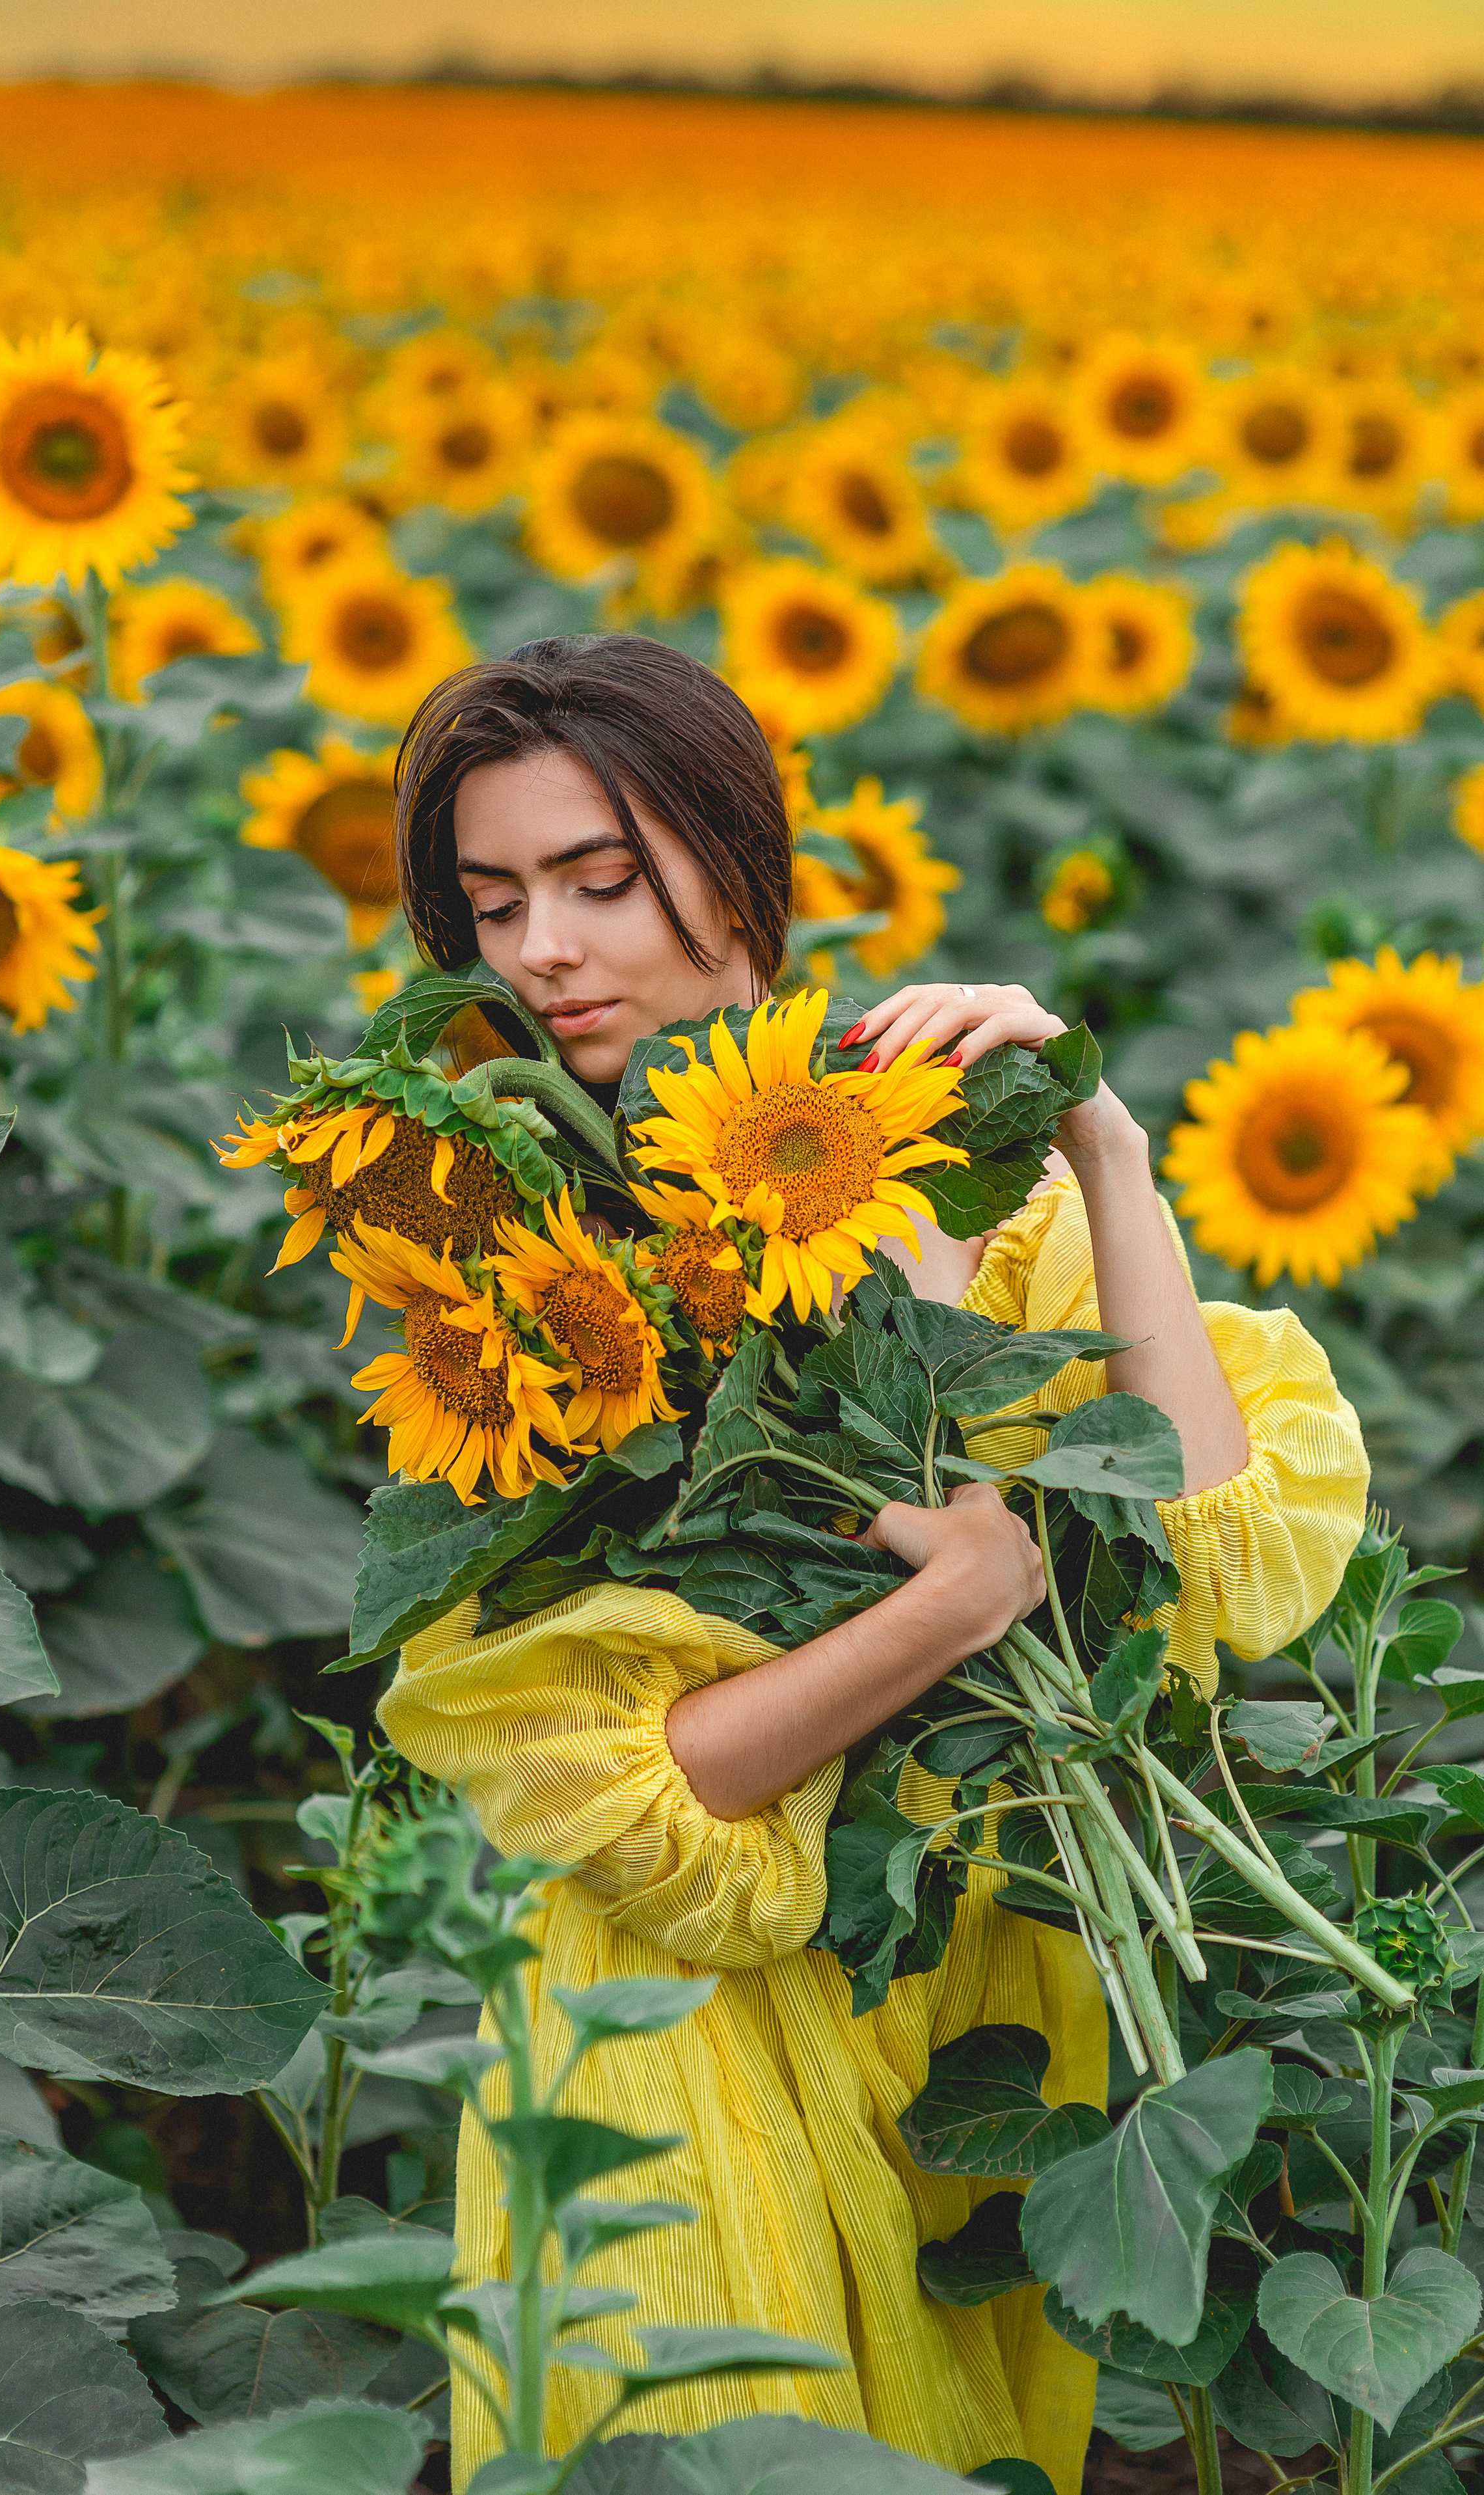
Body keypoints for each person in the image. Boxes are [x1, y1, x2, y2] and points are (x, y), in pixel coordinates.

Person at [376, 634, 1369, 2492]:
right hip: (684, 2015)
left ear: (742, 869)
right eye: (497, 902)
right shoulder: (517, 1255)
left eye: (601, 880)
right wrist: (954, 1601)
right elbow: (627, 1784)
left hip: (990, 1967)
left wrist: (1102, 1149)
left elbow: (1216, 1546)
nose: (545, 953)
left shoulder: (939, 1161)